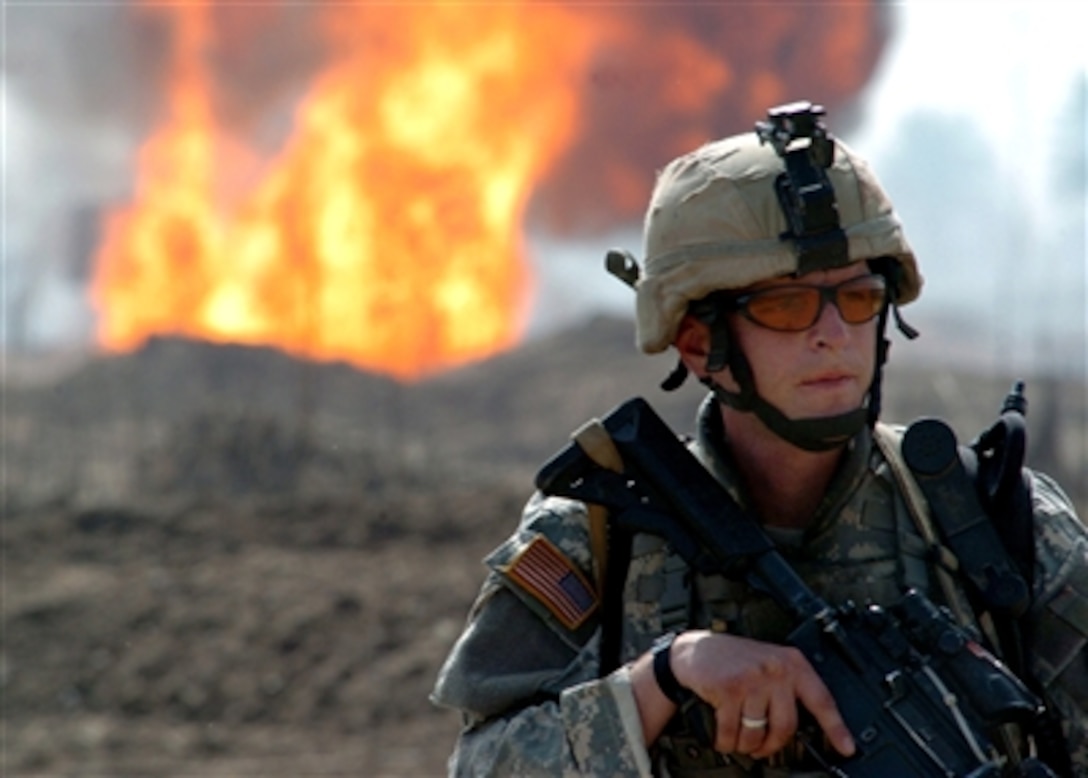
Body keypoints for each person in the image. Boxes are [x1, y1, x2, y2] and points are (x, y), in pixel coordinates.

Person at [430, 101, 1088, 776]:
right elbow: (481, 763)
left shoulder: (1002, 524)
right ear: (698, 344)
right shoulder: (601, 541)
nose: (832, 332)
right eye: (785, 306)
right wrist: (662, 680)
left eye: (858, 299)